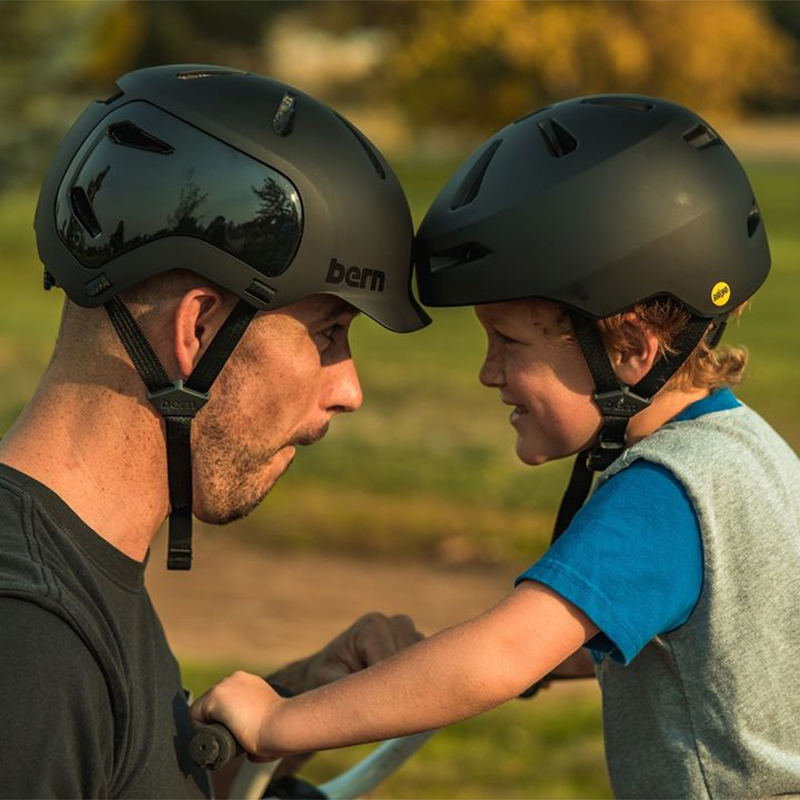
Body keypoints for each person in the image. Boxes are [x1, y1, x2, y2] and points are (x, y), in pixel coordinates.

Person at [192, 94, 800, 798]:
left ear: (631, 348)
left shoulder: (664, 492)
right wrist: (428, 673)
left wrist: (280, 723)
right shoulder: (747, 453)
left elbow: (502, 655)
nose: (488, 374)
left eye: (508, 343)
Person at [0, 64, 429, 798]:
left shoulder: (74, 587)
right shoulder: (30, 648)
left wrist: (298, 704)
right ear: (195, 330)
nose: (349, 389)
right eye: (328, 334)